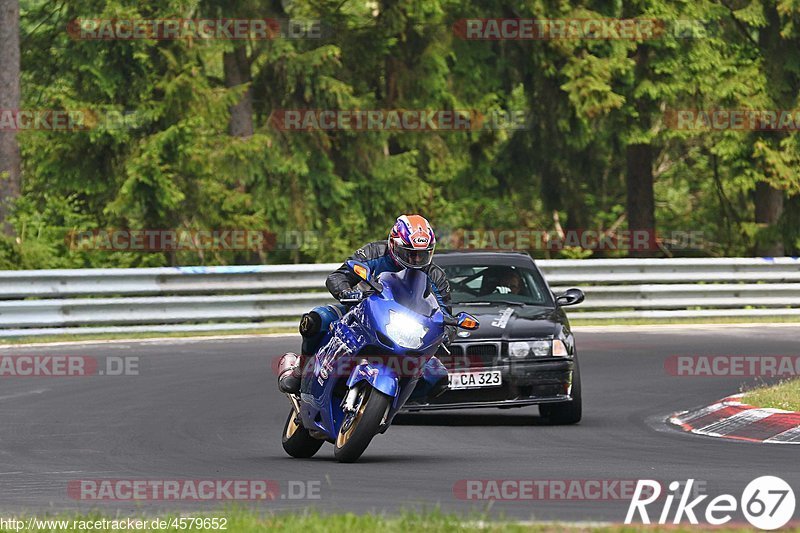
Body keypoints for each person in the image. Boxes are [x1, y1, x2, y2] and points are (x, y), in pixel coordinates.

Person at [278, 215, 453, 399]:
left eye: (422, 254)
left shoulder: (435, 275)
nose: (416, 259)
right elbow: (338, 277)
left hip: (409, 332)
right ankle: (300, 370)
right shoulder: (375, 252)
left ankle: (395, 401)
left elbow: (446, 313)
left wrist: (444, 334)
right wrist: (346, 292)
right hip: (360, 312)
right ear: (394, 244)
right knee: (315, 320)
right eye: (409, 253)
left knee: (437, 375)